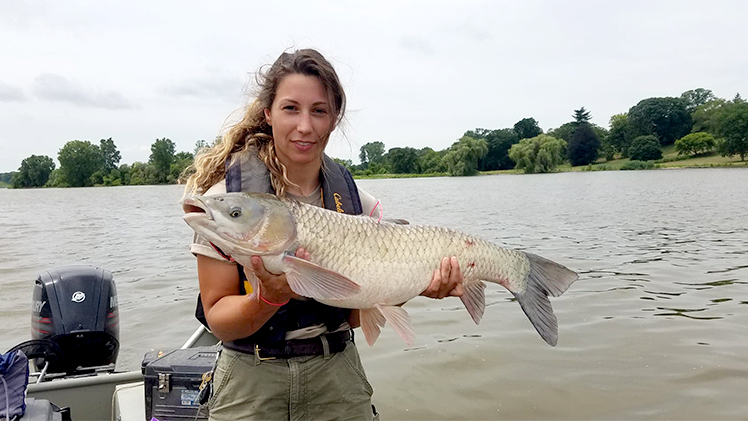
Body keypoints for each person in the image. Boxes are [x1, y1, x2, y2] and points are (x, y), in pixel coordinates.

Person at [183, 48, 464, 420]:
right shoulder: (225, 206)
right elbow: (218, 319)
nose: (305, 126)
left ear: (334, 119)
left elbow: (354, 315)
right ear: (268, 113)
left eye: (319, 110)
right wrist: (267, 299)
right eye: (290, 108)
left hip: (336, 376)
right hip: (250, 377)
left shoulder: (361, 205)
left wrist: (408, 286)